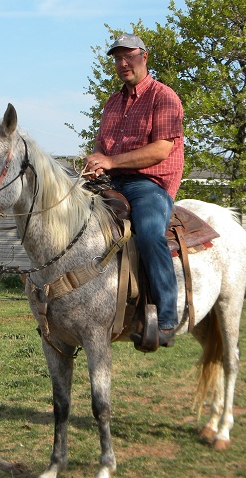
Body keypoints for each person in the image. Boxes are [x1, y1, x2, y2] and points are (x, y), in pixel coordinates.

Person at [85, 33, 184, 347]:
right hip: (112, 182)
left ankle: (167, 318)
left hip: (149, 184)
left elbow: (160, 150)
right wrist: (97, 160)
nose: (122, 63)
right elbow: (102, 144)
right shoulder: (113, 102)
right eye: (117, 58)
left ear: (144, 56)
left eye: (128, 56)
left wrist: (110, 161)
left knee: (151, 233)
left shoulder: (164, 97)